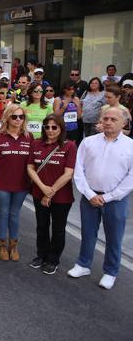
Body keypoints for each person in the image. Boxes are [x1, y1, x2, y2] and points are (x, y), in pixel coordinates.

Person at [68, 107, 133, 290]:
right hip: (89, 197)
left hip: (116, 200)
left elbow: (131, 177)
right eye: (105, 118)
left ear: (124, 123)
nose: (108, 122)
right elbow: (79, 170)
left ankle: (110, 271)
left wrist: (108, 197)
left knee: (114, 237)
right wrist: (90, 194)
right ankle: (83, 264)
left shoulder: (130, 146)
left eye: (113, 119)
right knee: (88, 233)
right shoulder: (88, 142)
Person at [26, 115, 77, 275]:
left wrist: (50, 191)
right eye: (47, 127)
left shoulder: (69, 146)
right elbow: (30, 168)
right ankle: (41, 255)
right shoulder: (36, 143)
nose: (50, 130)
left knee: (58, 229)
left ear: (61, 128)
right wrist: (43, 188)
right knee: (41, 226)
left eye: (54, 127)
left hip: (62, 197)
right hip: (38, 192)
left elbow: (68, 174)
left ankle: (53, 259)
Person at [0, 104, 32, 262]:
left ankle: (14, 245)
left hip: (21, 184)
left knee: (14, 214)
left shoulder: (29, 137)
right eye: (14, 116)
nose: (18, 120)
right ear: (7, 117)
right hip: (1, 183)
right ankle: (2, 245)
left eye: (21, 117)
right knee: (3, 213)